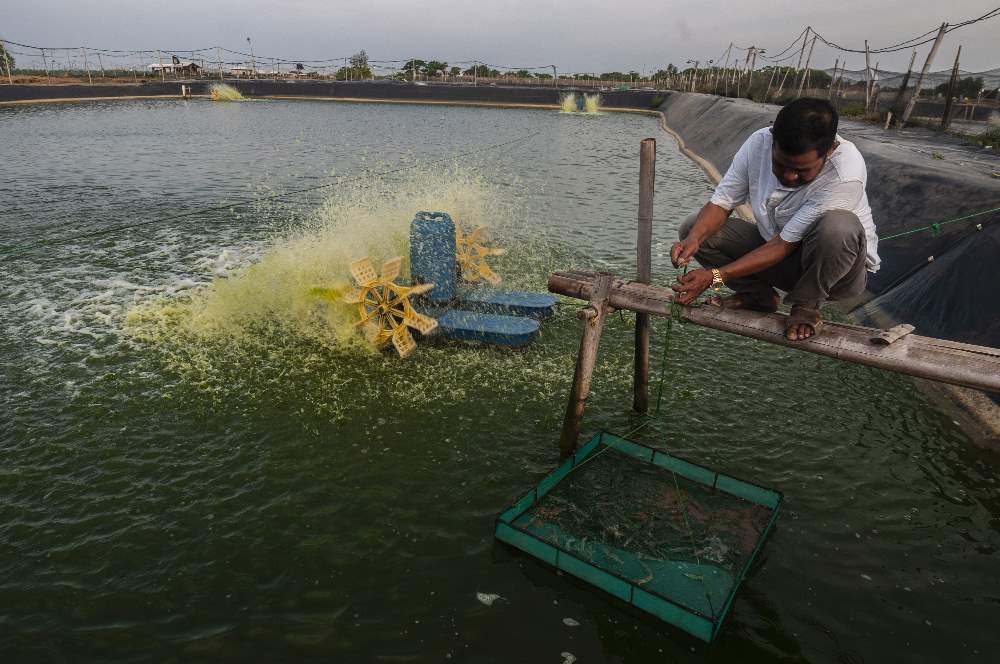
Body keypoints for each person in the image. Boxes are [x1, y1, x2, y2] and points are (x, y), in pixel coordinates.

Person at [669, 98, 880, 341]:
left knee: (838, 227)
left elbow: (784, 244)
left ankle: (806, 306)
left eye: (802, 170)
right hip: (784, 258)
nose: (790, 176)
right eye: (781, 165)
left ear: (829, 150)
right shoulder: (759, 142)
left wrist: (714, 276)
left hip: (837, 274)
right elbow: (722, 201)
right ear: (772, 140)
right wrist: (694, 239)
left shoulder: (846, 172)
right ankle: (758, 296)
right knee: (693, 227)